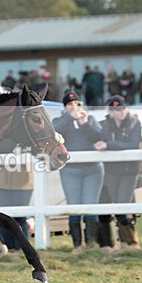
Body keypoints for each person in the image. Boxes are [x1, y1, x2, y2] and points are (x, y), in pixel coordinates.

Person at [53, 91, 106, 248]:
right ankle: (77, 245)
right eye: (70, 104)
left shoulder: (91, 120)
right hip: (70, 170)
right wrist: (70, 118)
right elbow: (56, 134)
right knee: (73, 206)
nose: (74, 106)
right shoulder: (59, 120)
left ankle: (91, 244)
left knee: (91, 205)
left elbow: (99, 136)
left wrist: (84, 123)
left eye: (76, 103)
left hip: (93, 169)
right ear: (65, 107)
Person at [94, 95, 142, 248]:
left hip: (130, 170)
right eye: (116, 110)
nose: (120, 112)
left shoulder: (135, 123)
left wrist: (109, 145)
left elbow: (133, 144)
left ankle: (130, 243)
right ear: (110, 111)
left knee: (123, 204)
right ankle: (113, 244)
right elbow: (96, 140)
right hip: (111, 171)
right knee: (114, 206)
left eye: (122, 109)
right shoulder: (103, 125)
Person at [0, 140, 33, 253]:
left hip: (23, 181)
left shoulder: (25, 131)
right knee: (4, 217)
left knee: (20, 217)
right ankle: (10, 249)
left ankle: (22, 249)